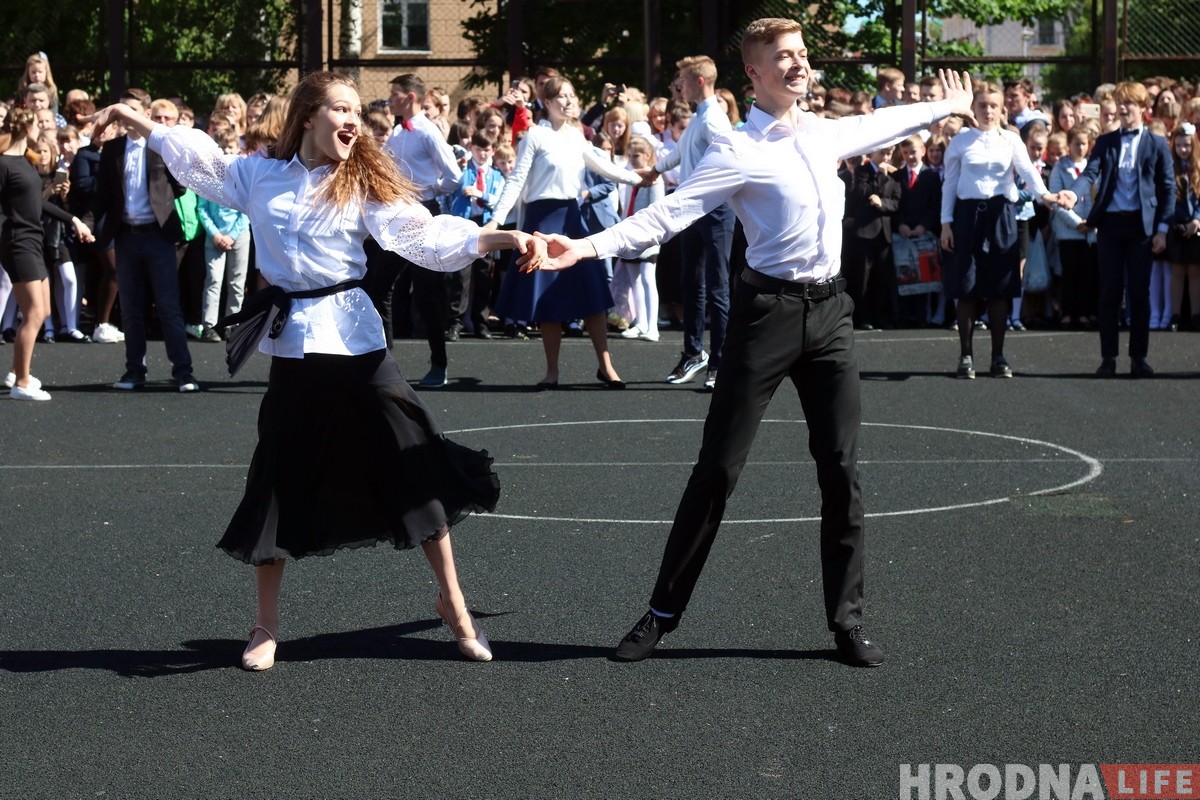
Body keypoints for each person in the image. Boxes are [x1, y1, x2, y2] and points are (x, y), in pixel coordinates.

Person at [530, 18, 977, 667]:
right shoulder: (736, 150)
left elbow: (893, 123)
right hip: (764, 315)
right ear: (755, 75)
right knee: (718, 468)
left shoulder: (825, 133)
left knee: (842, 470)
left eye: (801, 53)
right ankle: (660, 613)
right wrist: (584, 248)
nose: (798, 64)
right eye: (783, 57)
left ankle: (847, 622)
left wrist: (951, 105)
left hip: (832, 315)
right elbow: (666, 216)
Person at [87, 71, 546, 670]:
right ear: (308, 116)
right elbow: (199, 161)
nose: (355, 120)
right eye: (342, 108)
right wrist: (140, 120)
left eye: (359, 111)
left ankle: (454, 605)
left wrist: (501, 238)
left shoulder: (363, 183)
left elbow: (425, 236)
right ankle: (264, 627)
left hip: (356, 339)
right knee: (279, 475)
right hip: (293, 345)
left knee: (414, 460)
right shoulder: (257, 176)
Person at [486, 75, 640, 388]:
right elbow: (516, 180)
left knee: (592, 294)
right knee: (548, 300)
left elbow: (603, 168)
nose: (568, 101)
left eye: (571, 95)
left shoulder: (576, 136)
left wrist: (639, 179)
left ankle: (606, 366)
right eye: (561, 97)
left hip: (573, 220)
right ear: (546, 102)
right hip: (542, 222)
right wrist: (495, 221)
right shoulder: (534, 136)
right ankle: (552, 371)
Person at [939, 82, 1060, 380]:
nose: (988, 111)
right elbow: (950, 184)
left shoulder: (1011, 140)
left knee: (999, 289)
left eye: (993, 106)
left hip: (1003, 216)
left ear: (1002, 109)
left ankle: (998, 357)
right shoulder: (961, 141)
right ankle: (966, 356)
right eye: (982, 105)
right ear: (974, 108)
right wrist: (946, 224)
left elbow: (1029, 173)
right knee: (966, 288)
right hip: (967, 217)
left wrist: (1046, 195)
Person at [1061, 81, 1176, 377]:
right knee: (1109, 292)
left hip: (1141, 227)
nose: (1123, 108)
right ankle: (1108, 357)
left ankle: (1139, 357)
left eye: (1130, 104)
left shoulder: (1157, 144)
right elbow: (1090, 173)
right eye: (1120, 103)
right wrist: (1073, 194)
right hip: (1110, 225)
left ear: (1143, 109)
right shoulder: (1107, 141)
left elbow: (1167, 189)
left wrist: (1162, 229)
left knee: (1139, 293)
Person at [638, 55, 734, 390]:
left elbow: (729, 159)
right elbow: (680, 153)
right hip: (693, 211)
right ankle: (694, 352)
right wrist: (655, 171)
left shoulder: (714, 120)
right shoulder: (699, 117)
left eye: (682, 78)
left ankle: (721, 363)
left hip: (717, 211)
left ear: (700, 81)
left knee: (718, 286)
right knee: (691, 282)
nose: (677, 84)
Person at [95, 88, 198, 392]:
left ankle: (184, 372)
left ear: (145, 114)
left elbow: (181, 185)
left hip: (158, 235)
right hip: (126, 237)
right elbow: (102, 194)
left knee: (168, 307)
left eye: (131, 110)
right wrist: (91, 225)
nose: (126, 116)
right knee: (130, 309)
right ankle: (134, 371)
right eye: (121, 110)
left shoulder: (160, 147)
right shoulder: (112, 149)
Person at [2, 106, 94, 400]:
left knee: (42, 311)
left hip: (33, 240)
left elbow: (37, 203)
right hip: (17, 243)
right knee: (33, 313)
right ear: (26, 128)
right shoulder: (4, 164)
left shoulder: (26, 161)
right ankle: (22, 383)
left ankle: (17, 372)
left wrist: (73, 219)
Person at [1165, 122, 1200, 331]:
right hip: (1176, 225)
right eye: (1178, 146)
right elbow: (1168, 197)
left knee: (1195, 271)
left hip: (1195, 226)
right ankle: (1175, 315)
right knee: (1177, 271)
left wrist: (1196, 219)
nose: (1183, 150)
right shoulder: (1171, 168)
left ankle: (1196, 314)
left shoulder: (1198, 169)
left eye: (1186, 145)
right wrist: (1178, 222)